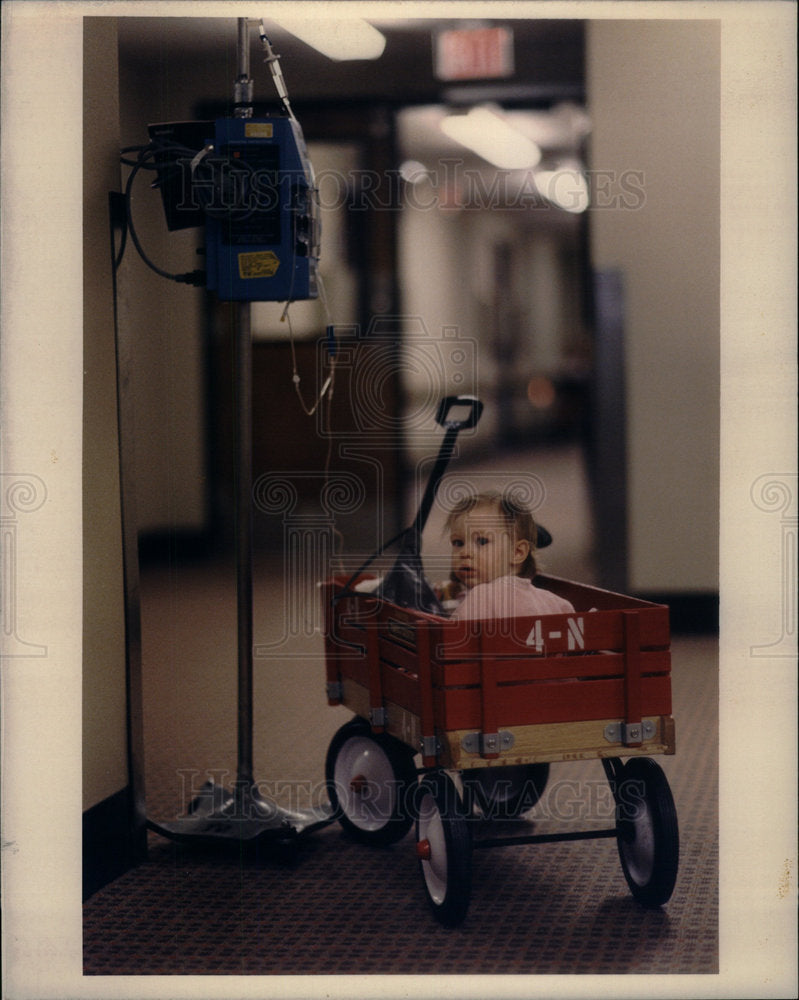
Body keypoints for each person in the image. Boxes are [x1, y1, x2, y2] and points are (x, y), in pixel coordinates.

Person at [440, 491, 575, 620]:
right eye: (458, 543)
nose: (465, 553)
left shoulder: (479, 600)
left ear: (517, 552)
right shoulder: (557, 603)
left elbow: (453, 639)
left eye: (482, 541)